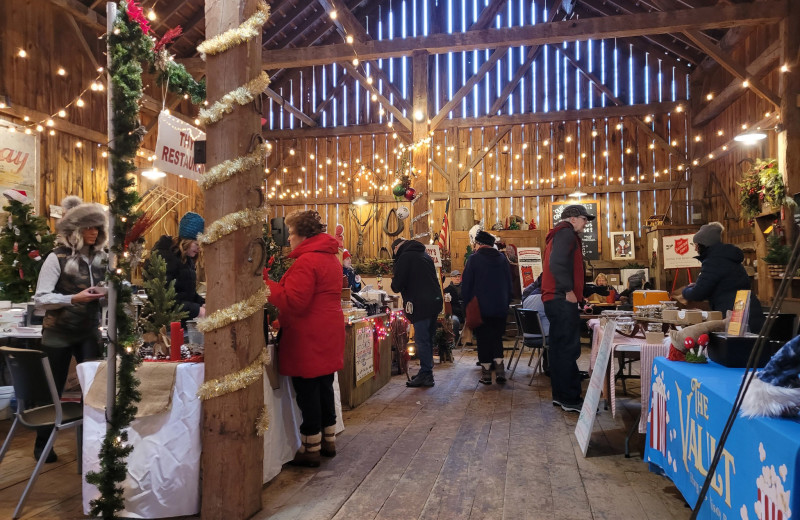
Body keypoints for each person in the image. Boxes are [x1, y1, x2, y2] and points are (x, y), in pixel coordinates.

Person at [265, 210, 345, 467]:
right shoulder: (330, 258)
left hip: (308, 336)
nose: (288, 239)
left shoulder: (308, 261)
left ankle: (310, 449)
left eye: (290, 233)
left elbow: (293, 301)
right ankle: (328, 440)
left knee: (307, 391)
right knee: (323, 386)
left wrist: (266, 285)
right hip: (327, 332)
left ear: (303, 235)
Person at [33, 195, 108, 463]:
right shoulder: (56, 258)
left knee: (96, 389)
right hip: (58, 333)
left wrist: (108, 294)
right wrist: (72, 299)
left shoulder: (102, 258)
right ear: (74, 230)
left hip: (89, 332)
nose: (93, 232)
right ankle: (43, 445)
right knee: (50, 391)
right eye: (88, 227)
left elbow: (108, 293)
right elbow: (41, 298)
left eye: (97, 227)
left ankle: (94, 442)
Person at [542, 204, 594, 412]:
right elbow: (557, 263)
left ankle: (560, 396)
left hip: (555, 299)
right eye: (584, 218)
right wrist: (567, 290)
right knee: (567, 349)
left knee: (559, 349)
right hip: (561, 299)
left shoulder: (559, 235)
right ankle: (570, 399)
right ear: (572, 219)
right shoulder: (566, 234)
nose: (586, 222)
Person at [682, 221, 764, 333]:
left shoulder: (713, 261)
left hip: (736, 315)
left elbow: (698, 293)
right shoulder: (726, 258)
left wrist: (685, 290)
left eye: (696, 245)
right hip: (748, 311)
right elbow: (720, 284)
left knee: (736, 349)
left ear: (703, 244)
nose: (695, 249)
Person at [462, 231, 513, 384]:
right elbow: (509, 284)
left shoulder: (474, 259)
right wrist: (505, 302)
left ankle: (486, 375)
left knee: (483, 339)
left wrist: (467, 305)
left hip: (480, 308)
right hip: (500, 308)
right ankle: (499, 372)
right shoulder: (502, 259)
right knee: (497, 338)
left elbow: (467, 286)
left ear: (478, 243)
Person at [391, 237, 443, 388]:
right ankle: (426, 371)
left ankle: (427, 375)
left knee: (422, 340)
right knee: (428, 338)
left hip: (420, 304)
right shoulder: (424, 254)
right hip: (433, 302)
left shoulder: (405, 257)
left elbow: (396, 285)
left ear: (396, 248)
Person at [150, 212, 206, 320]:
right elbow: (166, 300)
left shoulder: (186, 259)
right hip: (165, 325)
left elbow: (187, 294)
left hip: (181, 322)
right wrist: (197, 310)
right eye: (196, 244)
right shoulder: (166, 258)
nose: (199, 249)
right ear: (186, 241)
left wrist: (202, 303)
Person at [443, 270, 464, 342]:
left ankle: (469, 340)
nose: (457, 278)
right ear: (451, 278)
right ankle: (456, 340)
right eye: (455, 277)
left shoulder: (465, 288)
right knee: (455, 321)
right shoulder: (447, 290)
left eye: (458, 276)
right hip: (454, 312)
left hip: (465, 311)